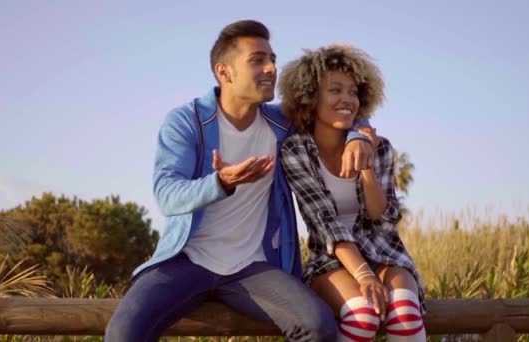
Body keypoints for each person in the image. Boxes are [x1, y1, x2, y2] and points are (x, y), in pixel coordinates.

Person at [105, 21, 374, 342]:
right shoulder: (187, 121)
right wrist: (219, 182)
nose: (272, 68)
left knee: (318, 327)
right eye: (257, 60)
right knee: (123, 332)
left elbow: (336, 108)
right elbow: (167, 195)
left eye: (272, 58)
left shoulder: (280, 123)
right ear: (224, 72)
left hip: (253, 268)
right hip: (186, 263)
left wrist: (359, 135)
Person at [279, 44, 427, 342]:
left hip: (385, 252)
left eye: (353, 92)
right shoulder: (295, 151)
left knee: (406, 314)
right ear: (311, 97)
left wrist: (367, 168)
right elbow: (325, 223)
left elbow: (383, 219)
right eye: (335, 90)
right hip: (331, 258)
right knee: (362, 315)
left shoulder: (379, 146)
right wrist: (364, 275)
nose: (347, 99)